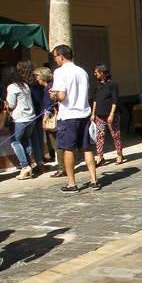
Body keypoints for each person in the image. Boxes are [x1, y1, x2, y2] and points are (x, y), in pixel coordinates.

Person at [50, 44, 100, 192]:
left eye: (55, 57)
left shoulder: (60, 72)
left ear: (61, 56)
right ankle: (94, 180)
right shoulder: (82, 71)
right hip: (84, 113)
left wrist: (53, 95)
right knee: (87, 148)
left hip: (69, 115)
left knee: (68, 148)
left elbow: (62, 95)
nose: (55, 60)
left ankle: (72, 183)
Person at [5, 63, 38, 180]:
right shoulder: (24, 85)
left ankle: (25, 166)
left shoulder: (12, 87)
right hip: (31, 117)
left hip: (20, 119)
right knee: (25, 141)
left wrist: (6, 105)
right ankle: (31, 163)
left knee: (15, 142)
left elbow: (12, 105)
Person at [34, 67, 65, 177]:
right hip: (58, 116)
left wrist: (45, 119)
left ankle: (62, 168)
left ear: (42, 77)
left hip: (53, 118)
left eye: (37, 76)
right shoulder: (50, 86)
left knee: (57, 144)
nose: (36, 78)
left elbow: (49, 105)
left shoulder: (48, 88)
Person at [91, 64, 125, 165]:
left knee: (115, 135)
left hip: (110, 114)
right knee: (99, 136)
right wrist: (93, 113)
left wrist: (111, 114)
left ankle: (119, 154)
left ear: (102, 73)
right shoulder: (98, 86)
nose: (94, 74)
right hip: (99, 115)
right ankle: (100, 156)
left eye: (96, 72)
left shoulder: (112, 85)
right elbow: (95, 101)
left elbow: (115, 100)